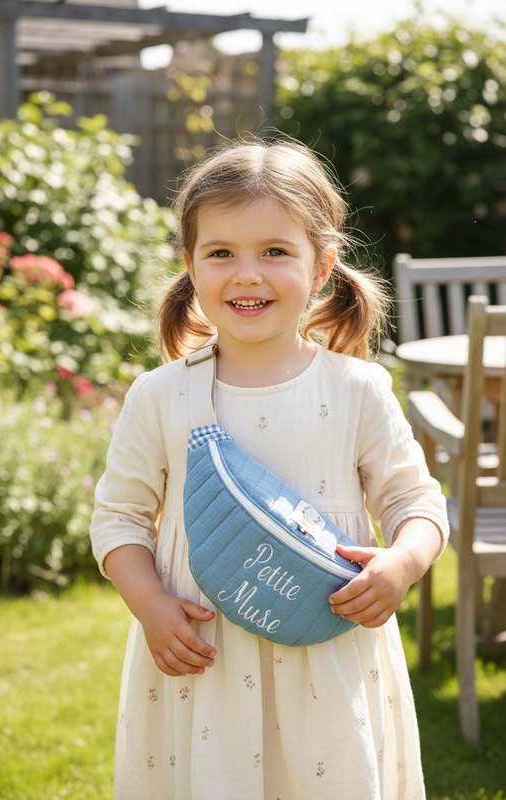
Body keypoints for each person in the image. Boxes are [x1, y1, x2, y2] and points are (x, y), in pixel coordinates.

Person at [90, 139, 448, 800]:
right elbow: (118, 518)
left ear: (320, 267)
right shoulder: (160, 395)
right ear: (190, 266)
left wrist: (402, 564)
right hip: (204, 660)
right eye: (221, 252)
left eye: (275, 252)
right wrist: (148, 604)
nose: (246, 274)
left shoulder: (355, 391)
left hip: (326, 652)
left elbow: (416, 501)